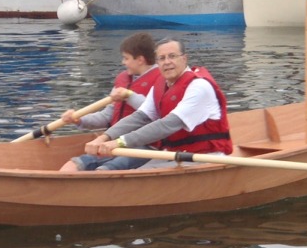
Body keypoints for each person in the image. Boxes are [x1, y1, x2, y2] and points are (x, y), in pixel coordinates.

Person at [67, 38, 232, 173]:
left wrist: (120, 142)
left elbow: (169, 124)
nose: (167, 62)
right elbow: (141, 117)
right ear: (157, 62)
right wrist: (105, 137)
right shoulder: (161, 84)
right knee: (107, 171)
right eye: (162, 58)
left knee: (117, 174)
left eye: (172, 56)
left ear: (184, 58)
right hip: (173, 154)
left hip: (204, 158)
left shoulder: (199, 87)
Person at [58, 32, 161, 172]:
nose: (123, 62)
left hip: (144, 144)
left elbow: (156, 112)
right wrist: (78, 120)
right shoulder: (124, 80)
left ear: (140, 60)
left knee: (107, 169)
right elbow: (107, 116)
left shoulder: (161, 80)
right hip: (113, 141)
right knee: (74, 165)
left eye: (126, 58)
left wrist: (129, 96)